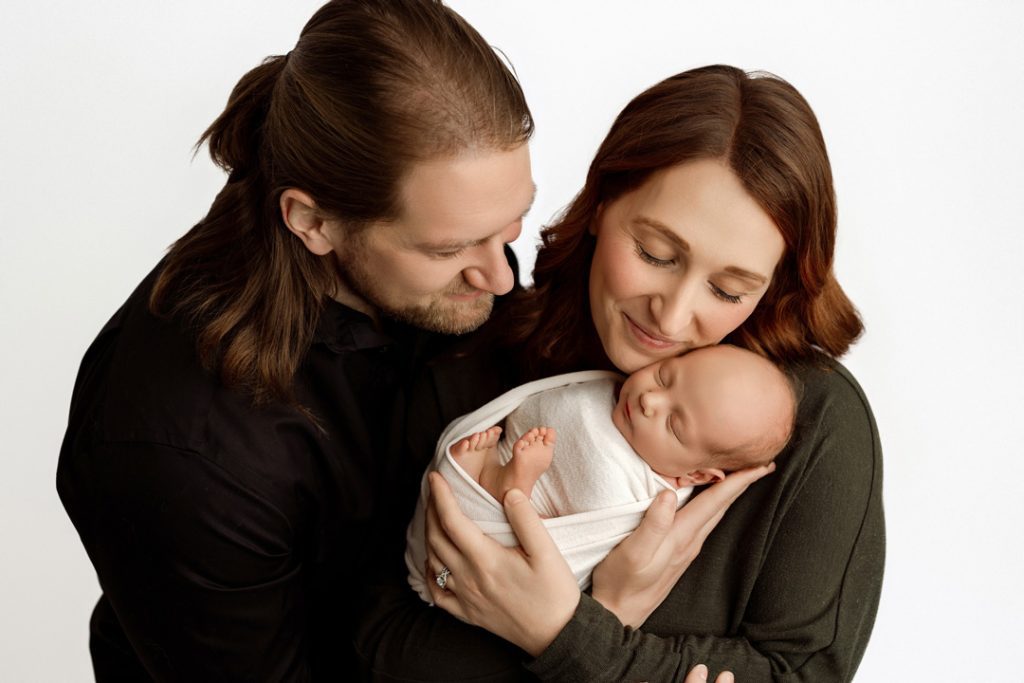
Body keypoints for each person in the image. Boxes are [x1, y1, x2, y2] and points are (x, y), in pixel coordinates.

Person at [55, 1, 540, 678]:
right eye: (449, 248)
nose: (497, 275)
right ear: (313, 222)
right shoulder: (184, 452)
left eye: (511, 224)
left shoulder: (453, 265)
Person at [359, 65, 884, 683]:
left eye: (729, 287)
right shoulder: (476, 372)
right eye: (656, 254)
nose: (675, 313)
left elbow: (804, 674)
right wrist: (604, 613)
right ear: (601, 204)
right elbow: (380, 648)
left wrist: (570, 633)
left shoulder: (810, 420)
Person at [406, 344, 798, 599]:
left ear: (696, 476)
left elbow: (571, 567)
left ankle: (508, 488)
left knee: (534, 547)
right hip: (462, 492)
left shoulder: (644, 498)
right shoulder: (609, 386)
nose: (649, 399)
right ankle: (493, 479)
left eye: (674, 425)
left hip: (516, 541)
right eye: (665, 376)